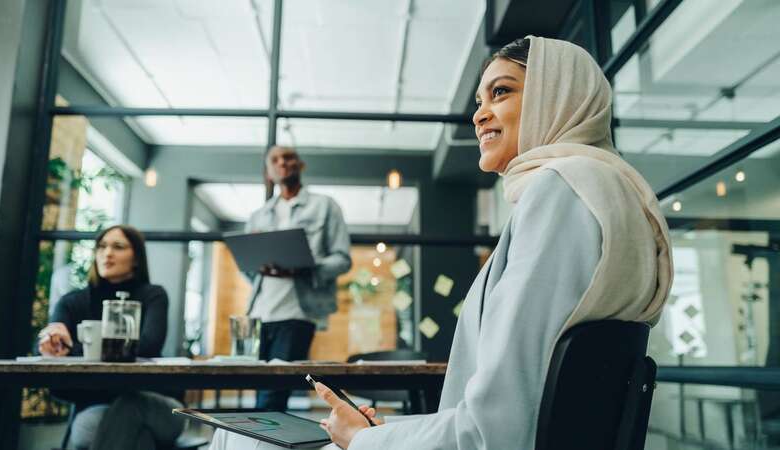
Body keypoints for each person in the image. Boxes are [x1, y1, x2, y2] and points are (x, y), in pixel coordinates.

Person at [210, 36, 673, 450]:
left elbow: (493, 432)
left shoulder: (561, 193)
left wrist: (368, 440)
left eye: (502, 91)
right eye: (478, 99)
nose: (478, 114)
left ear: (556, 96)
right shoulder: (604, 191)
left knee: (233, 439)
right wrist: (386, 433)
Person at [38, 225, 186, 450]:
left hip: (155, 403)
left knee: (130, 404)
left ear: (136, 258)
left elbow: (148, 345)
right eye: (102, 246)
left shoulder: (152, 295)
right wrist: (50, 343)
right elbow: (52, 345)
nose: (107, 253)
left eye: (118, 247)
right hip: (97, 408)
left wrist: (75, 349)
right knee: (137, 436)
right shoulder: (72, 302)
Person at [245, 145, 352, 411]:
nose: (282, 163)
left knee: (273, 395)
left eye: (289, 157)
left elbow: (342, 259)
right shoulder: (257, 217)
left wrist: (304, 268)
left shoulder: (325, 206)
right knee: (260, 391)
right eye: (275, 160)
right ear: (269, 172)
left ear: (300, 165)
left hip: (298, 315)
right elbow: (247, 267)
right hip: (258, 315)